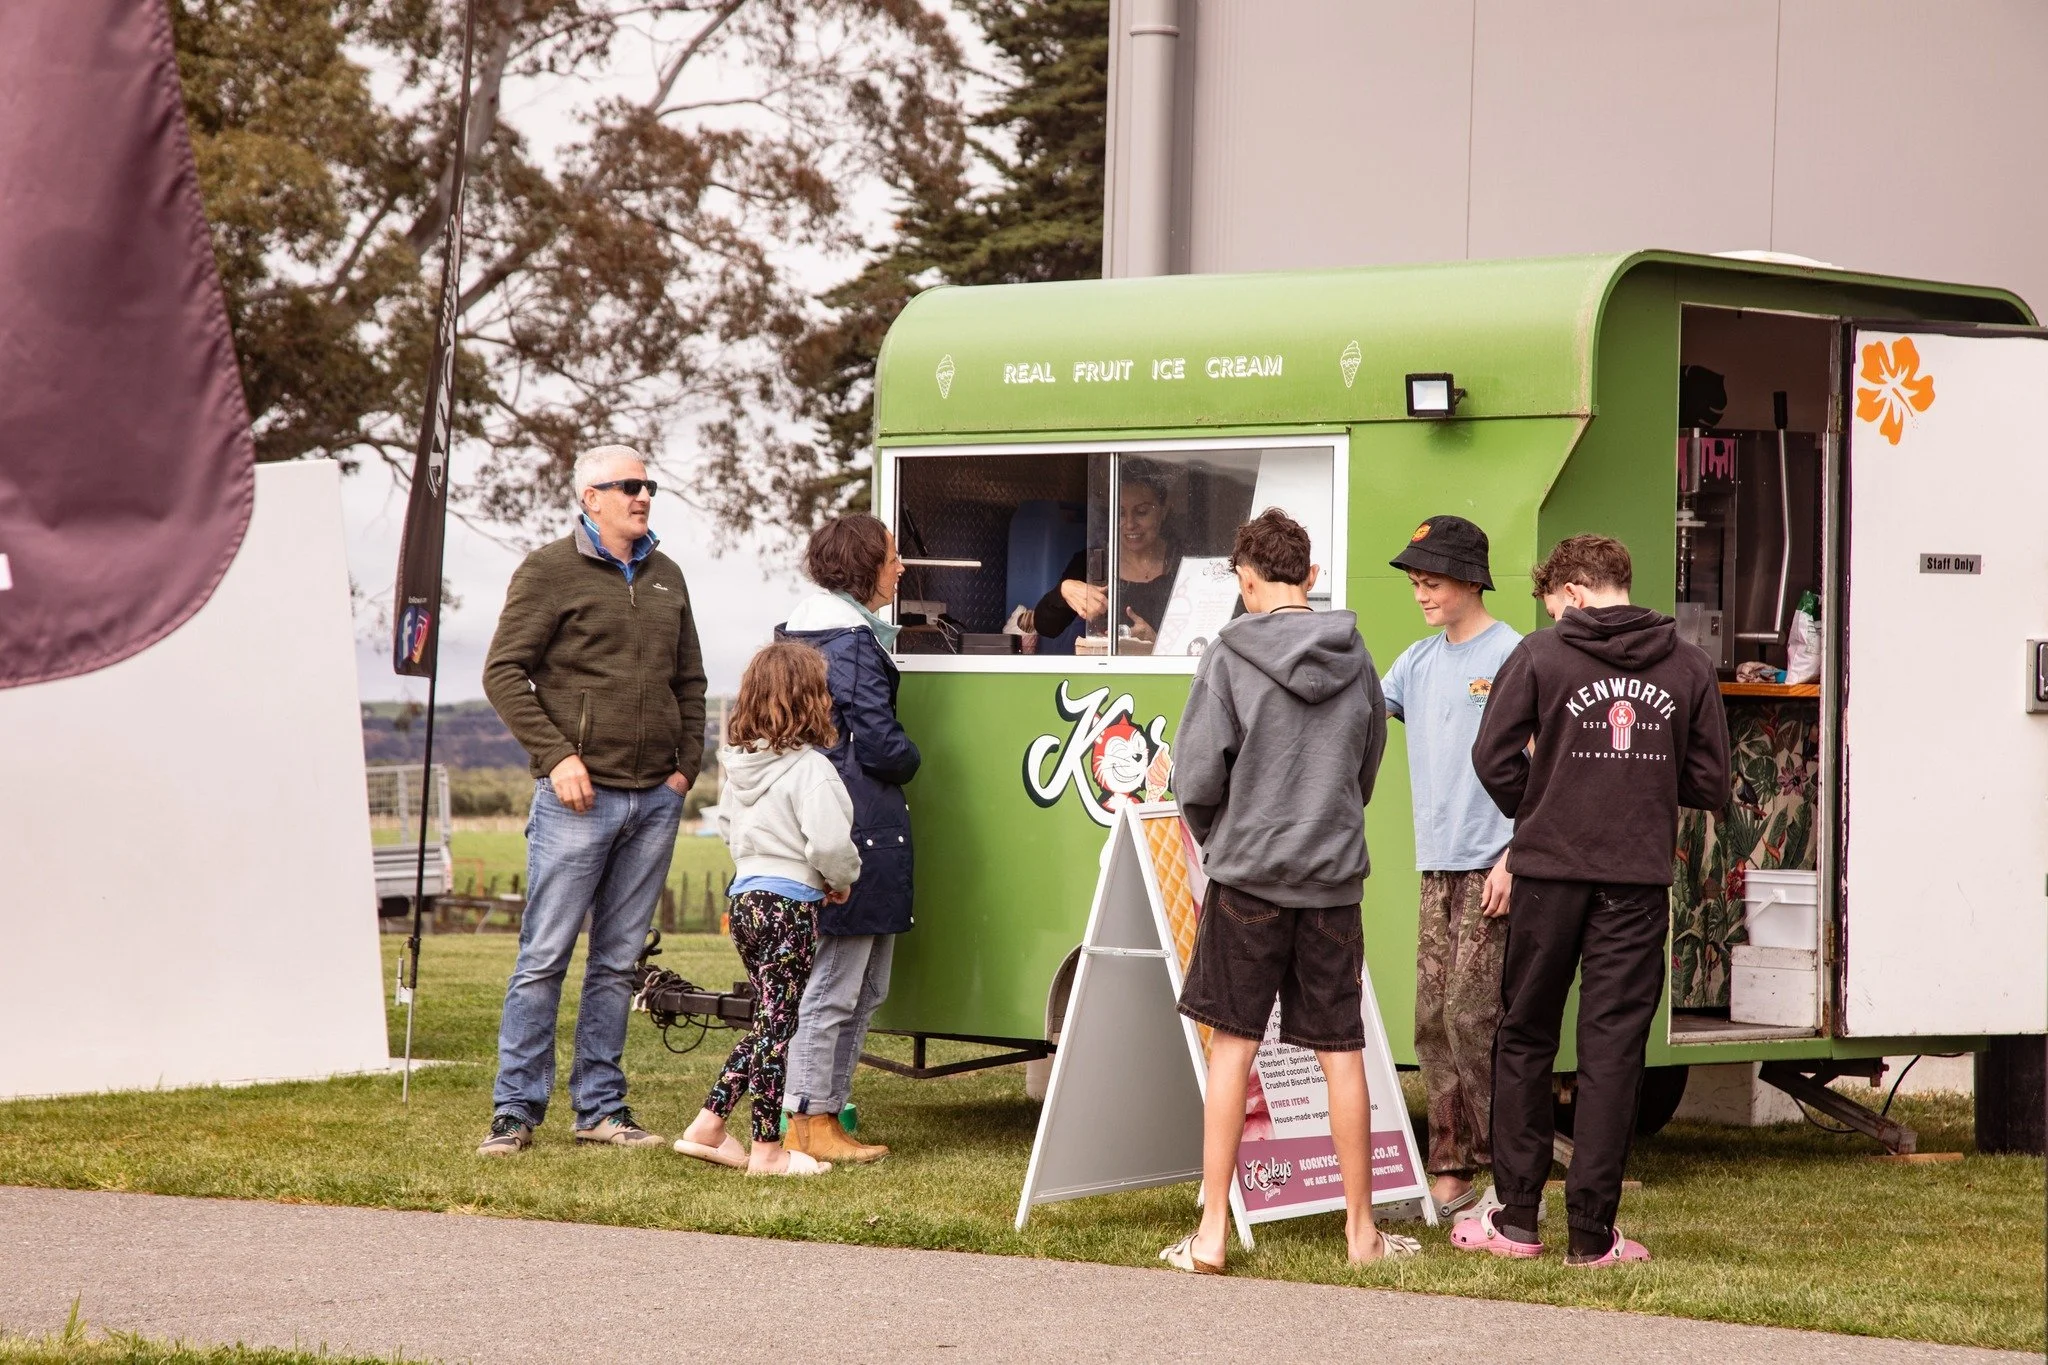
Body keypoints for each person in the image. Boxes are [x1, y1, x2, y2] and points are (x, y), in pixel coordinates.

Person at [1459, 534, 1730, 1266]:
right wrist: (1636, 785)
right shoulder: (1689, 664)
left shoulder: (1542, 655)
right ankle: (1592, 1234)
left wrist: (1543, 803)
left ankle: (1515, 1221)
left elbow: (1491, 755)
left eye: (1554, 603)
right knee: (1611, 1051)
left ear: (1574, 591)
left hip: (1548, 874)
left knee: (1525, 1035)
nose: (1553, 615)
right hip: (1636, 881)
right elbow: (1710, 781)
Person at [1162, 508, 1419, 1272]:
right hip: (1333, 879)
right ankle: (1362, 1234)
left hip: (1247, 878)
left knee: (1232, 1047)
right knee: (1342, 1051)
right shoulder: (1359, 655)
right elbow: (1366, 766)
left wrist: (1221, 838)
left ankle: (1211, 1234)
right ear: (1307, 575)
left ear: (1246, 581)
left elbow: (1198, 775)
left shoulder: (1229, 656)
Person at [475, 444, 707, 1157]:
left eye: (648, 486)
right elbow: (503, 672)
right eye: (628, 486)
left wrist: (684, 769)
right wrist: (558, 756)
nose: (642, 496)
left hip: (654, 800)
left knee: (615, 964)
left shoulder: (668, 577)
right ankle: (514, 1112)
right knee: (543, 957)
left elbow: (691, 683)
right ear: (590, 496)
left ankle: (601, 1109)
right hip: (578, 798)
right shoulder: (548, 570)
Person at [675, 642, 861, 1177]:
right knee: (779, 1030)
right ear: (810, 701)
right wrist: (839, 880)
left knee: (767, 1022)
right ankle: (767, 1150)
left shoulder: (739, 766)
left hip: (748, 900)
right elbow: (829, 845)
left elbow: (731, 830)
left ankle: (709, 1125)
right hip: (790, 907)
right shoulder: (813, 771)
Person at [1382, 516, 1521, 1220]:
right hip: (1435, 868)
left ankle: (1510, 1177)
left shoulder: (1517, 657)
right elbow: (1362, 710)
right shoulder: (1415, 662)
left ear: (1471, 579)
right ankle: (1450, 1174)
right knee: (1432, 1020)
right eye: (1414, 583)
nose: (1420, 594)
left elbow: (1551, 770)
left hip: (1494, 869)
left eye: (1430, 582)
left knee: (1475, 1017)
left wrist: (1514, 856)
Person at [775, 513, 920, 1166]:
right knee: (838, 988)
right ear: (865, 564)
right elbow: (880, 740)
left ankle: (820, 1112)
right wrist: (912, 755)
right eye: (892, 556)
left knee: (861, 987)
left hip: (846, 819)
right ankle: (809, 1117)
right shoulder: (851, 640)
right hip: (856, 824)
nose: (901, 566)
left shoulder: (810, 631)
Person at [1031, 462, 1181, 646]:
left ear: (1164, 510)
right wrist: (1064, 590)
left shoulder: (1185, 564)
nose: (1130, 524)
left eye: (1142, 512)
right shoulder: (1093, 563)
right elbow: (1046, 626)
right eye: (1120, 513)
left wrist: (1156, 642)